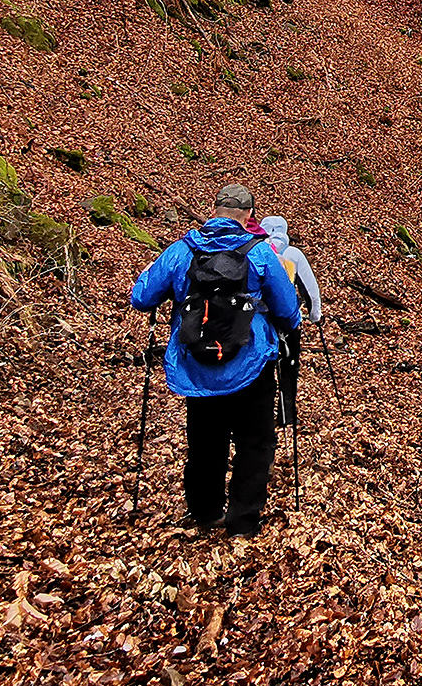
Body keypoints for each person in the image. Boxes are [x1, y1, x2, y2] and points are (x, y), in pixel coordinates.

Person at [129, 191, 301, 537]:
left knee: (206, 441)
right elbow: (287, 310)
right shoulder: (260, 254)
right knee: (256, 442)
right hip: (251, 363)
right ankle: (243, 520)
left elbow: (142, 297)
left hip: (199, 366)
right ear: (249, 214)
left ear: (212, 210)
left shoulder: (182, 251)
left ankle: (206, 511)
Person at [259, 215, 322, 429]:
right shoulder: (293, 254)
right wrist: (315, 315)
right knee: (288, 367)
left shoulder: (256, 251)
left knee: (262, 367)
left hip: (259, 320)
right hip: (288, 320)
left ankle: (262, 414)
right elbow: (310, 290)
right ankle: (287, 415)